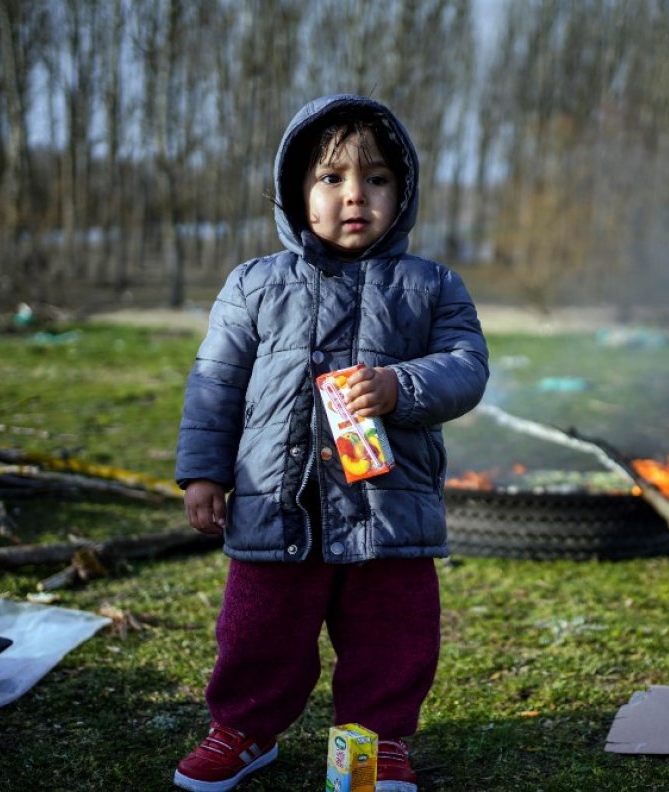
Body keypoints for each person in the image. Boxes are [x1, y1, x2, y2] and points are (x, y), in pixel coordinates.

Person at [172, 94, 489, 792]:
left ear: (401, 192)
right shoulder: (254, 285)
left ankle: (377, 743)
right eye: (332, 178)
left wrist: (400, 387)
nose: (356, 195)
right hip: (273, 503)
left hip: (389, 508)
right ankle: (245, 730)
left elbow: (467, 369)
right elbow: (214, 384)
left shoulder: (432, 285)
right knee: (258, 630)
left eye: (376, 178)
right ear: (296, 194)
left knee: (394, 634)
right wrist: (202, 473)